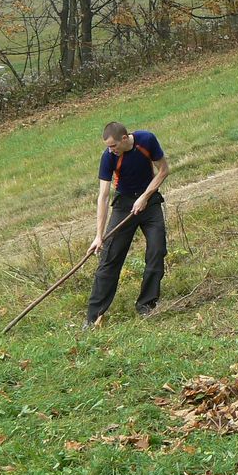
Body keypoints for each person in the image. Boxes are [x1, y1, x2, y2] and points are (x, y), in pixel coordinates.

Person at [85, 122, 169, 327]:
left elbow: (164, 170)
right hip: (124, 206)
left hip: (149, 203)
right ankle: (93, 317)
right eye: (107, 146)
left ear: (125, 139)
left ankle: (146, 306)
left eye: (113, 145)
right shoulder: (108, 157)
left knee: (157, 251)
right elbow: (103, 197)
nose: (110, 149)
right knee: (110, 259)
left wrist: (145, 197)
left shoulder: (146, 140)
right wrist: (99, 235)